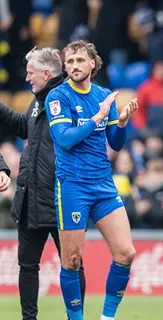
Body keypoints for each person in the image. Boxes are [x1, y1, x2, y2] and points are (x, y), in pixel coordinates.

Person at [44, 40, 139, 320]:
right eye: (69, 61)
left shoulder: (103, 94)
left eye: (79, 61)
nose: (74, 66)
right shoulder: (57, 97)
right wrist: (97, 116)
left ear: (92, 64)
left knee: (126, 253)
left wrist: (121, 123)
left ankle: (107, 317)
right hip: (72, 185)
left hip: (103, 185)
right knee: (71, 260)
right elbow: (65, 139)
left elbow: (116, 144)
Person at [0, 47, 87, 320]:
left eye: (30, 73)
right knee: (27, 266)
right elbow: (22, 126)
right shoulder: (38, 101)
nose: (27, 78)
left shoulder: (66, 99)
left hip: (61, 196)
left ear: (47, 73)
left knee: (72, 264)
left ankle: (76, 316)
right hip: (31, 196)